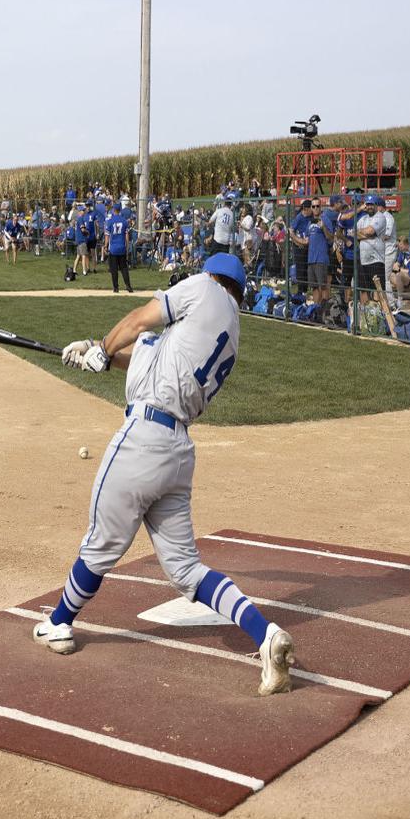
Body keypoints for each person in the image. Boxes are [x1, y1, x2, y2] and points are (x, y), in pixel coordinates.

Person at [40, 255, 296, 696]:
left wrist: (102, 347)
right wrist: (94, 349)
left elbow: (139, 320)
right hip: (177, 452)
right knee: (186, 570)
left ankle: (58, 623)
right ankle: (266, 633)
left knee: (101, 542)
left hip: (141, 440)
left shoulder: (202, 287)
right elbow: (148, 355)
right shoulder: (229, 331)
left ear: (213, 277)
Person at [355, 195, 394, 306]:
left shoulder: (380, 217)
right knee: (363, 290)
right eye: (367, 204)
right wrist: (365, 234)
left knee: (379, 291)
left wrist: (363, 234)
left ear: (376, 205)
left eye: (372, 204)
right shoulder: (362, 219)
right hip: (363, 260)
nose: (370, 207)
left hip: (376, 260)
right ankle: (366, 317)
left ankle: (383, 315)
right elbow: (354, 234)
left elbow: (370, 231)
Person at [105, 204, 135, 293]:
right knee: (124, 268)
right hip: (121, 247)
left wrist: (106, 246)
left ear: (114, 210)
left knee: (114, 269)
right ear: (120, 210)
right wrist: (127, 246)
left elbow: (107, 235)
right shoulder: (124, 221)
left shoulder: (110, 221)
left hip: (113, 248)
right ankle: (128, 286)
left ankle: (116, 287)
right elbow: (126, 235)